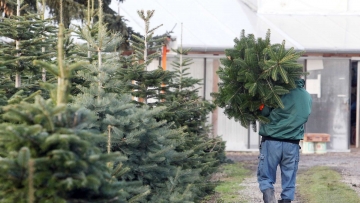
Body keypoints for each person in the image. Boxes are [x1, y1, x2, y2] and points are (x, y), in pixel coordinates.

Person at [257, 79, 312, 203]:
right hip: (292, 144)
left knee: (266, 175)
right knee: (289, 176)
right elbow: (305, 115)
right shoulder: (306, 95)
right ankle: (286, 200)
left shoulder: (275, 91)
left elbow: (264, 112)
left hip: (271, 141)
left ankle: (270, 199)